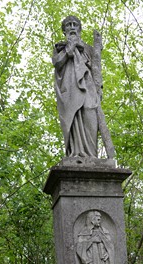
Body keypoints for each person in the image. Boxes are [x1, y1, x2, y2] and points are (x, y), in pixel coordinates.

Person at [52, 16, 100, 158]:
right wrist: (69, 49)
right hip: (70, 89)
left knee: (90, 115)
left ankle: (91, 156)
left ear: (79, 28)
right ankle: (75, 153)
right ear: (64, 30)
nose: (72, 27)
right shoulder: (59, 48)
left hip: (88, 89)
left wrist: (99, 88)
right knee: (73, 119)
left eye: (75, 24)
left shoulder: (89, 49)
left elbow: (96, 69)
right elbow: (57, 63)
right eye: (68, 25)